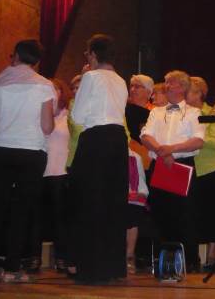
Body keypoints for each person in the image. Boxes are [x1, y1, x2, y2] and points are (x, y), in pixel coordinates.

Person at [0, 39, 55, 283]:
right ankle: (13, 268)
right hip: (31, 151)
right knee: (22, 210)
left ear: (16, 56)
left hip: (1, 150)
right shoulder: (44, 86)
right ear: (37, 61)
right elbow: (46, 126)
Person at [68, 34, 129, 285]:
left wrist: (84, 78)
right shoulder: (121, 79)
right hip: (117, 140)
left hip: (96, 139)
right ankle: (112, 265)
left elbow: (78, 115)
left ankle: (91, 267)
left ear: (92, 54)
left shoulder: (91, 77)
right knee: (112, 200)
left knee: (90, 199)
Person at [140, 70, 205, 272]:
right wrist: (163, 152)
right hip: (160, 165)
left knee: (185, 214)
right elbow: (145, 136)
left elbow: (198, 140)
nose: (167, 86)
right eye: (167, 82)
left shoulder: (194, 113)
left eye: (172, 83)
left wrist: (172, 149)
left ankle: (190, 262)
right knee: (160, 214)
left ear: (183, 88)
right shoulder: (156, 112)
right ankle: (164, 263)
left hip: (183, 165)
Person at [187, 76, 215, 270]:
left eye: (189, 91)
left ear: (199, 94)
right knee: (191, 215)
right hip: (189, 169)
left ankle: (211, 256)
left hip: (209, 168)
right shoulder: (183, 113)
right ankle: (192, 258)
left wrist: (196, 140)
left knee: (212, 214)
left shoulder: (212, 113)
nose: (185, 95)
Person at [41, 79, 72, 273]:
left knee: (61, 216)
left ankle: (63, 256)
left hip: (60, 170)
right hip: (40, 170)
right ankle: (34, 258)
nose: (52, 93)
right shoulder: (39, 115)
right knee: (39, 215)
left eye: (55, 89)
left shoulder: (69, 116)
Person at [125, 149, 149, 275]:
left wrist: (139, 194)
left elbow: (140, 182)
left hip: (132, 196)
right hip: (111, 197)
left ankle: (129, 256)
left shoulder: (134, 156)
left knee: (133, 214)